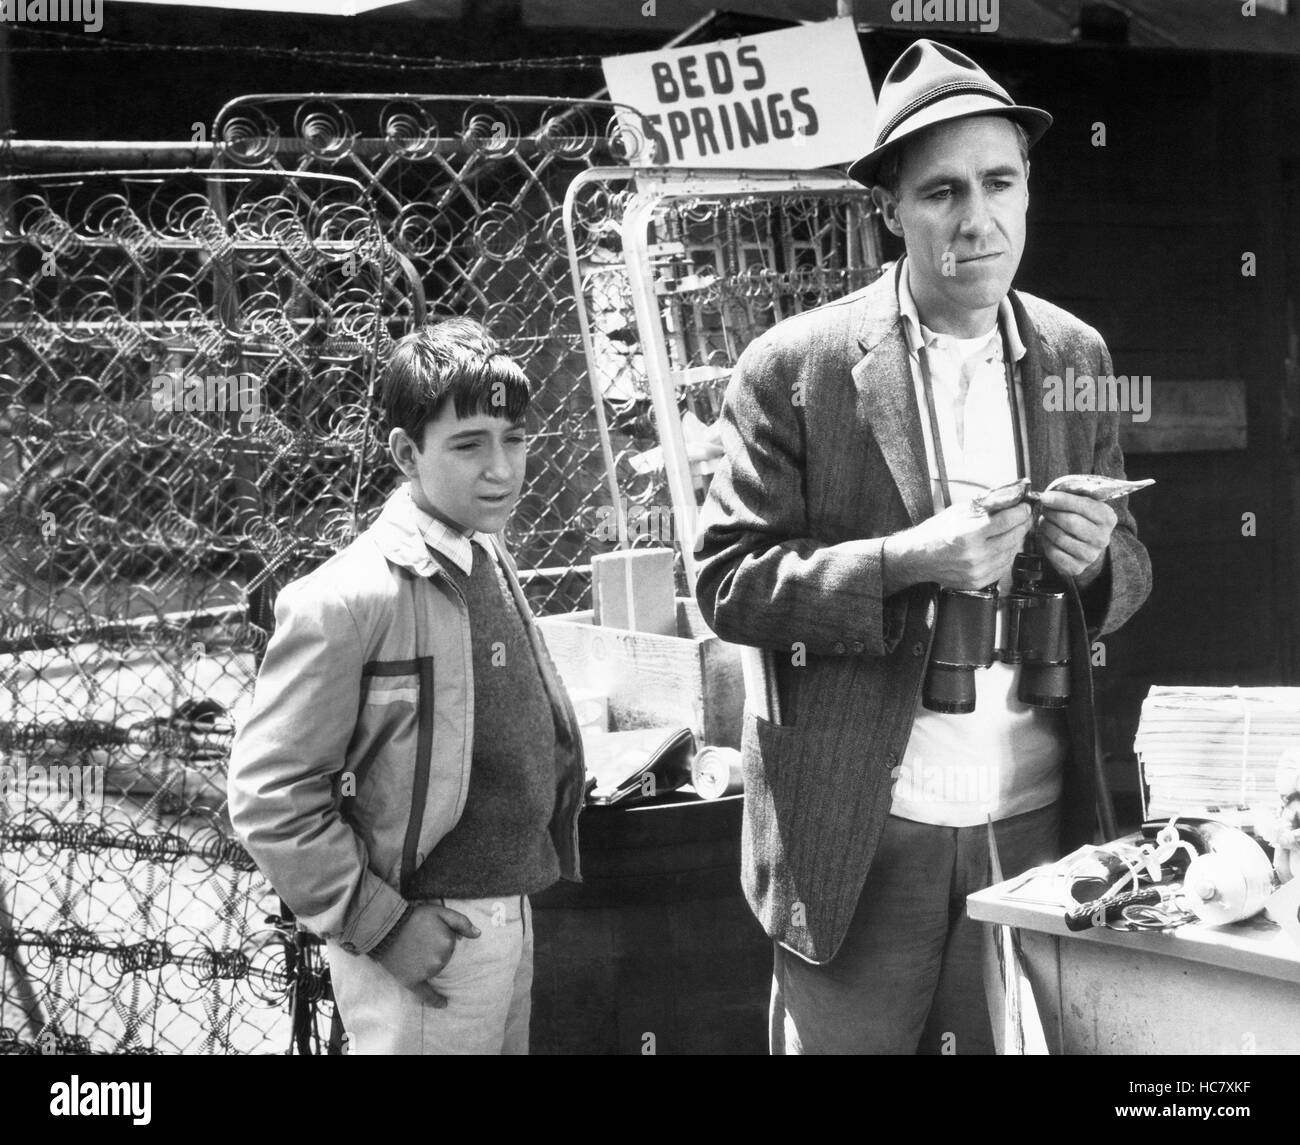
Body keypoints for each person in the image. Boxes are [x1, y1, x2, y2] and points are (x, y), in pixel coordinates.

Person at [693, 39, 1152, 1054]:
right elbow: (726, 579)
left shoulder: (1076, 354)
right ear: (890, 211)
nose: (975, 218)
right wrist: (908, 560)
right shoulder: (795, 366)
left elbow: (1127, 571)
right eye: (941, 191)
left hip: (1036, 822)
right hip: (863, 825)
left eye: (998, 182)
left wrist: (1092, 558)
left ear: (1029, 189)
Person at [227, 317, 587, 1054]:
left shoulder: (481, 550)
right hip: (429, 930)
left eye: (513, 438)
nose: (501, 468)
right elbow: (268, 796)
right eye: (467, 444)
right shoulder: (350, 598)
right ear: (404, 452)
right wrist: (381, 924)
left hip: (506, 906)